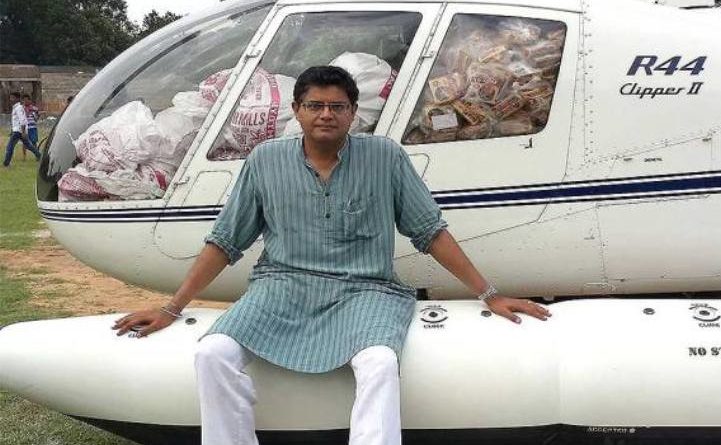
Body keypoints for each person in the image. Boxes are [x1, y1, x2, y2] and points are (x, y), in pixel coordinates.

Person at [112, 66, 551, 445]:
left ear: (352, 113)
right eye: (315, 105)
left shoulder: (385, 157)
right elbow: (225, 241)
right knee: (212, 354)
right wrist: (172, 308)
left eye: (338, 106)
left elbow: (430, 232)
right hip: (282, 286)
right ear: (297, 110)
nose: (326, 114)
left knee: (379, 362)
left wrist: (489, 294)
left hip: (366, 290)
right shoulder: (264, 160)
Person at [3, 92, 41, 167]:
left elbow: (22, 120)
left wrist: (23, 132)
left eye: (12, 98)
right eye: (10, 98)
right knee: (29, 146)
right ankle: (40, 156)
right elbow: (16, 121)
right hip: (18, 130)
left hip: (19, 131)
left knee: (10, 147)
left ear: (17, 98)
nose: (11, 99)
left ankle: (6, 163)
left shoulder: (18, 108)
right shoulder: (16, 107)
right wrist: (13, 130)